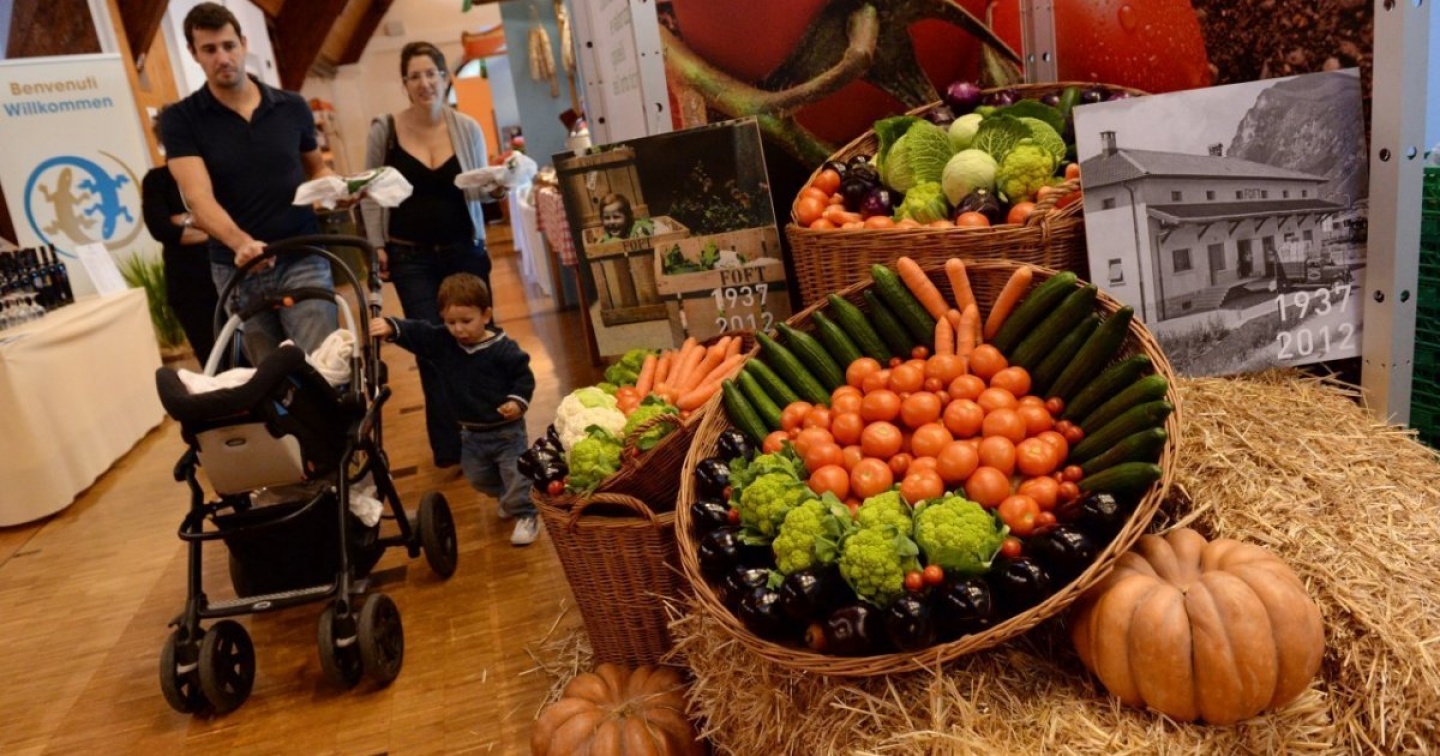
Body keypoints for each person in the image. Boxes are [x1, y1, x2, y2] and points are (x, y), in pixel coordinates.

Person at [159, 2, 337, 365]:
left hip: (302, 255)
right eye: (210, 49)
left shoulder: (292, 106)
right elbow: (198, 198)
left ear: (243, 43)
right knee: (270, 380)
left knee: (324, 367)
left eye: (229, 45)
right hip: (236, 268)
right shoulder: (182, 119)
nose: (222, 58)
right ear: (194, 54)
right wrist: (240, 243)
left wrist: (339, 191)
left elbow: (317, 169)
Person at [360, 40, 507, 468]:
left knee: (479, 340)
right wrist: (377, 245)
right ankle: (449, 446)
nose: (424, 83)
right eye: (415, 76)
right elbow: (369, 191)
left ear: (445, 77)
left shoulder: (467, 128)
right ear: (404, 84)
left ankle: (492, 431)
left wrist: (498, 186)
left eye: (431, 74)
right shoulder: (385, 130)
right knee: (432, 345)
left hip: (464, 251)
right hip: (411, 259)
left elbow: (478, 187)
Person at [369, 273, 539, 545]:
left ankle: (526, 514)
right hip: (471, 434)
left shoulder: (503, 349)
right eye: (450, 322)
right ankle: (508, 497)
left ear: (486, 315)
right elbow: (420, 333)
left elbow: (523, 378)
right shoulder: (444, 343)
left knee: (517, 476)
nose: (458, 329)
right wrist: (391, 326)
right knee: (478, 478)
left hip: (507, 432)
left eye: (466, 321)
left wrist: (517, 402)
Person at [141, 109, 220, 365]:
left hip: (229, 278)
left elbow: (236, 221)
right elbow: (162, 230)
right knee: (212, 360)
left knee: (251, 355)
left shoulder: (215, 174)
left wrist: (185, 219)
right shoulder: (156, 181)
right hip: (188, 286)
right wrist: (213, 225)